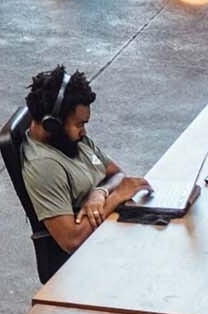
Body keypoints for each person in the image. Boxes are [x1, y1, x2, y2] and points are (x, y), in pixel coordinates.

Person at [20, 66, 150, 253]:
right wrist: (116, 197)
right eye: (79, 124)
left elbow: (117, 173)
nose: (84, 131)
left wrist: (100, 192)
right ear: (52, 124)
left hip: (111, 230)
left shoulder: (68, 140)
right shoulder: (44, 167)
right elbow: (71, 241)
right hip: (93, 253)